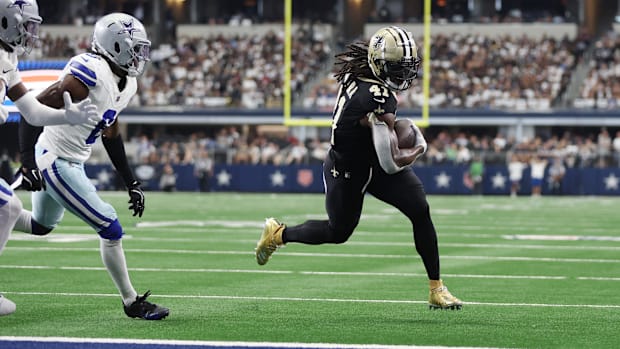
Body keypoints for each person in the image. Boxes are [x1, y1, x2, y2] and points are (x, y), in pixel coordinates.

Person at [255, 26, 462, 310]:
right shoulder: (375, 97)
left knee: (420, 210)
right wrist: (417, 148)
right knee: (337, 232)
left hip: (370, 160)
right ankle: (278, 234)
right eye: (396, 67)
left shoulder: (365, 69)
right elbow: (390, 163)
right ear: (379, 63)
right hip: (348, 168)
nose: (403, 74)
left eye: (406, 66)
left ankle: (436, 289)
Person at [15, 12, 169, 320]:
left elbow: (110, 132)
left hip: (70, 159)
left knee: (41, 226)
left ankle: (2, 210)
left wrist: (131, 182)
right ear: (115, 45)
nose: (140, 55)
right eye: (135, 48)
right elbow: (34, 109)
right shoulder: (90, 71)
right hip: (56, 159)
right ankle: (131, 302)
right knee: (110, 228)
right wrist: (27, 160)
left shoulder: (127, 84)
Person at [0, 0, 100, 316]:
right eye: (26, 24)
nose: (31, 32)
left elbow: (30, 109)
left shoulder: (7, 57)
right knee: (9, 206)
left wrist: (65, 117)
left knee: (8, 206)